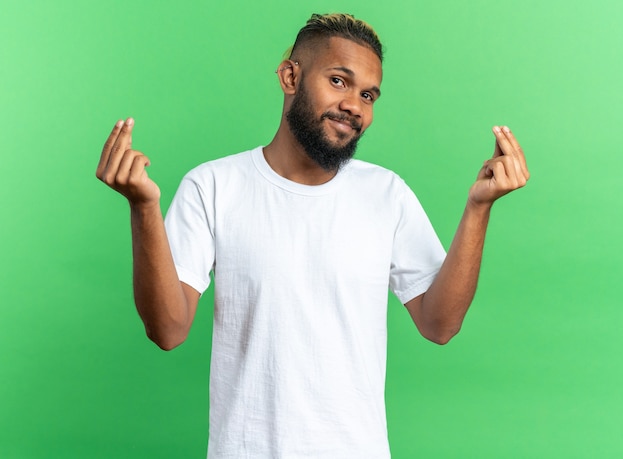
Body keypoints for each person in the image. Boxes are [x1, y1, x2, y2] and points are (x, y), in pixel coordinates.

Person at [96, 13, 529, 459]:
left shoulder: (387, 194)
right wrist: (143, 208)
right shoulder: (213, 187)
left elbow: (440, 325)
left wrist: (479, 208)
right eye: (339, 81)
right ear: (290, 76)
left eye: (368, 95)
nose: (355, 106)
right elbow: (167, 329)